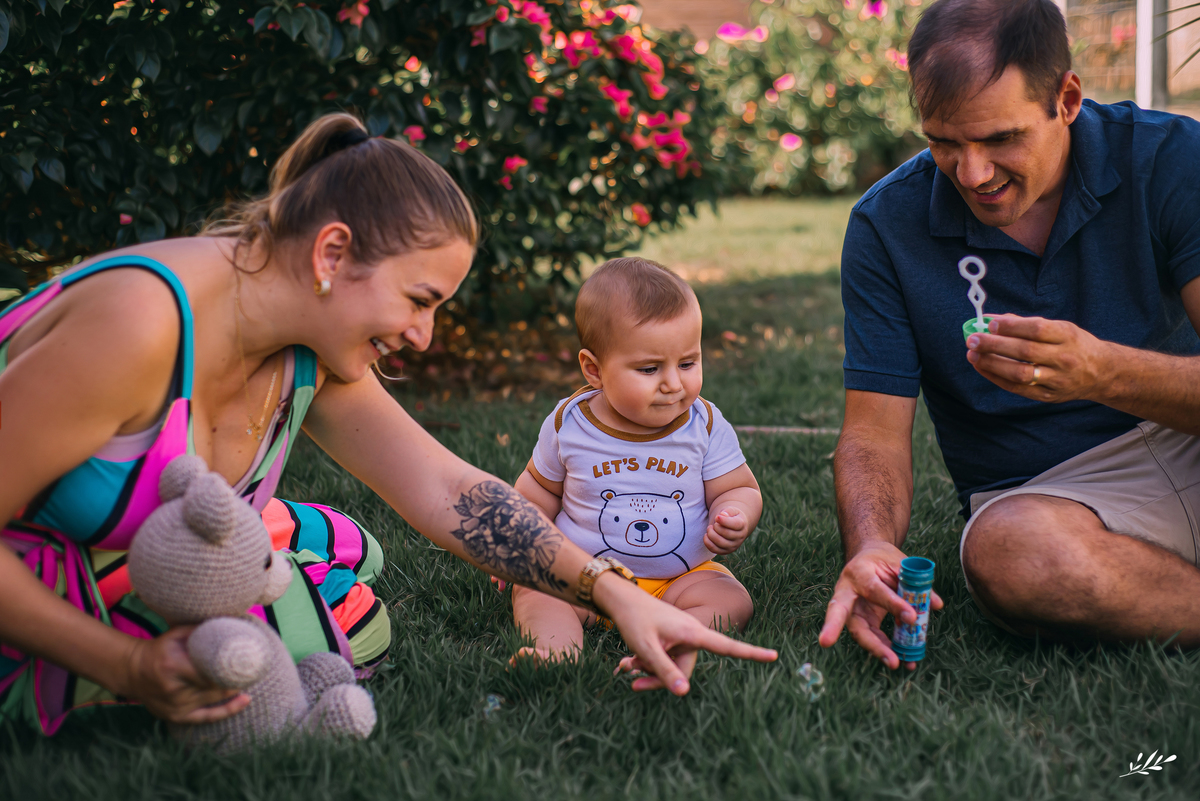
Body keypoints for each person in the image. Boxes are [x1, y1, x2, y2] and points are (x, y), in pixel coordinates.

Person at [0, 114, 777, 734]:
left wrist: (612, 591)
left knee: (341, 627)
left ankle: (284, 535)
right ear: (332, 252)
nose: (424, 335)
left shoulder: (306, 341)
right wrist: (128, 667)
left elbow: (448, 492)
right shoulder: (139, 324)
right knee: (304, 629)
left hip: (116, 562)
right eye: (420, 299)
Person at [818, 0, 1200, 669]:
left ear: (1068, 98)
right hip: (1051, 499)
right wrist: (873, 545)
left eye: (1000, 139)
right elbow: (873, 433)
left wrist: (1101, 372)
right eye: (943, 141)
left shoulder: (1169, 159)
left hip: (1183, 429)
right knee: (1008, 554)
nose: (972, 174)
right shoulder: (887, 225)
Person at [502, 258, 761, 663]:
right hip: (582, 578)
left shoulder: (704, 424)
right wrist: (520, 542)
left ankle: (674, 642)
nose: (674, 384)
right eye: (649, 368)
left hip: (678, 580)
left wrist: (733, 513)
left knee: (730, 599)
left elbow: (739, 487)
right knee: (535, 588)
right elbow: (537, 492)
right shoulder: (569, 424)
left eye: (688, 363)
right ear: (594, 369)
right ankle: (554, 651)